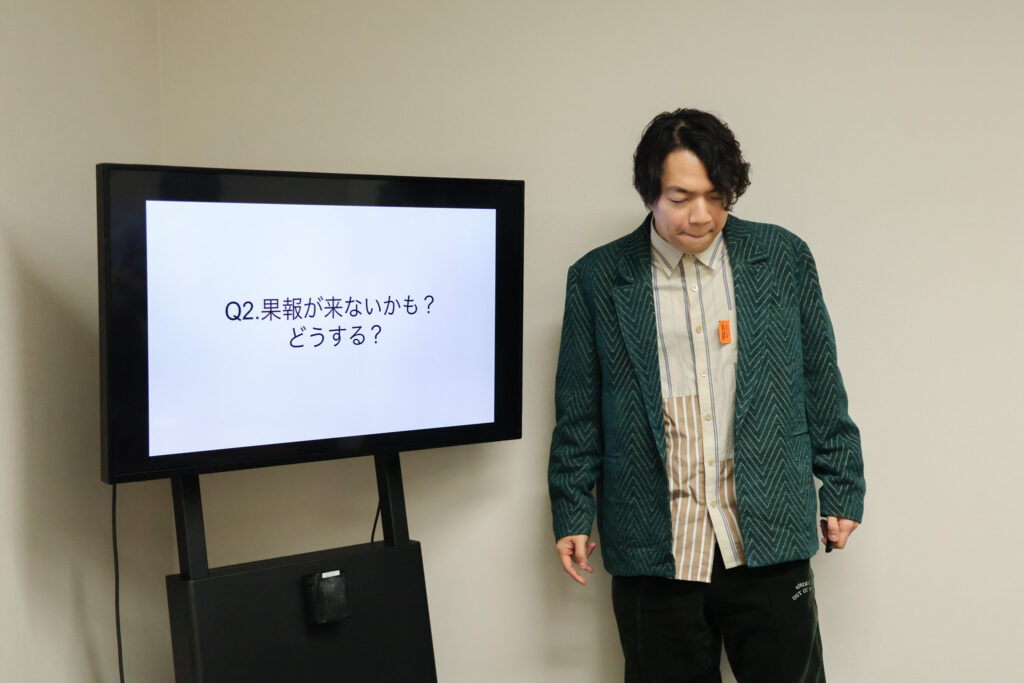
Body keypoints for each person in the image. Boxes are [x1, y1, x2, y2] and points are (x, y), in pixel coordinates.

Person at [548, 109, 864, 683]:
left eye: (717, 197)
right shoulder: (598, 278)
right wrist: (572, 509)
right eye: (681, 197)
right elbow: (578, 411)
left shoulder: (781, 257)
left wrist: (842, 483)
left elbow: (820, 380)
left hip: (767, 530)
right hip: (655, 543)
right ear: (648, 191)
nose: (702, 215)